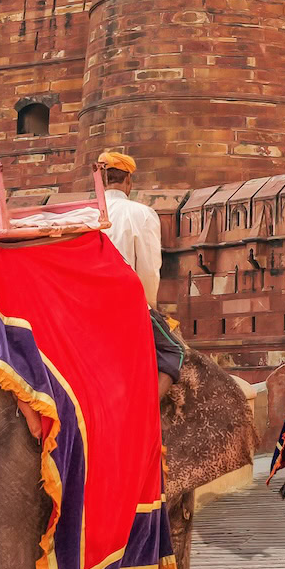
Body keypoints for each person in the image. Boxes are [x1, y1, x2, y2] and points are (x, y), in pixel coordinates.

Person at [96, 150, 184, 398]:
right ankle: (148, 409)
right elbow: (148, 269)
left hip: (86, 305)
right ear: (128, 181)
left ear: (101, 181)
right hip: (125, 305)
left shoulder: (85, 214)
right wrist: (150, 306)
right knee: (174, 351)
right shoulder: (141, 214)